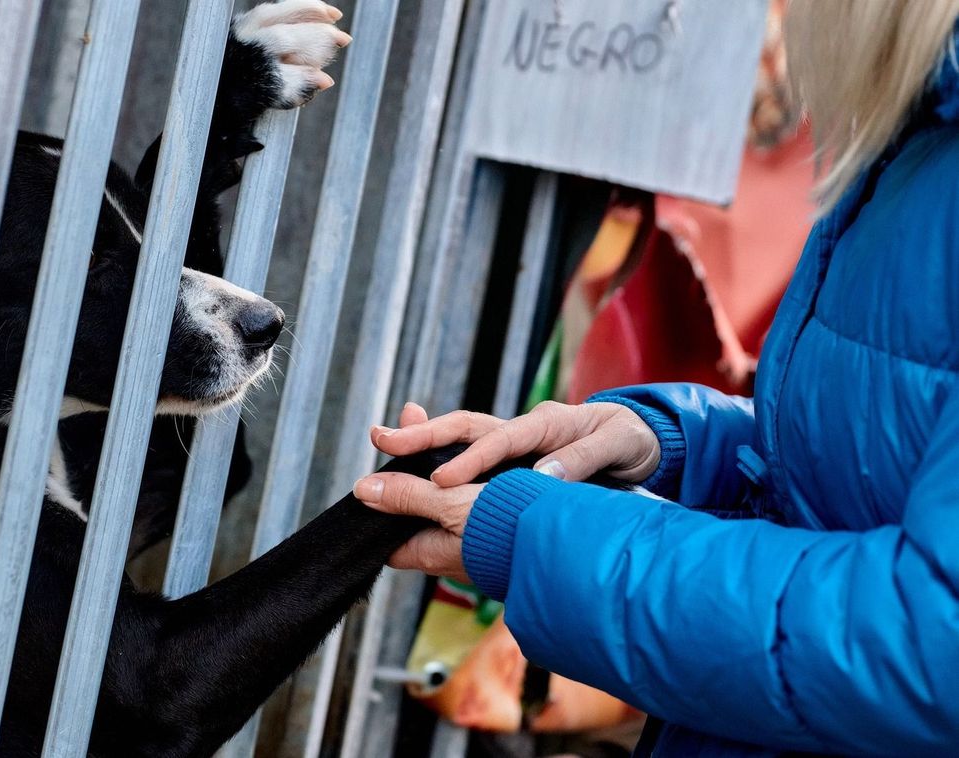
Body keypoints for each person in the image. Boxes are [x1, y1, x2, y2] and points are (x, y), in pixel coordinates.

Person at [351, 2, 959, 755]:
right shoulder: (926, 130)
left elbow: (930, 645)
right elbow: (890, 460)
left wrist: (542, 540)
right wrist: (667, 443)